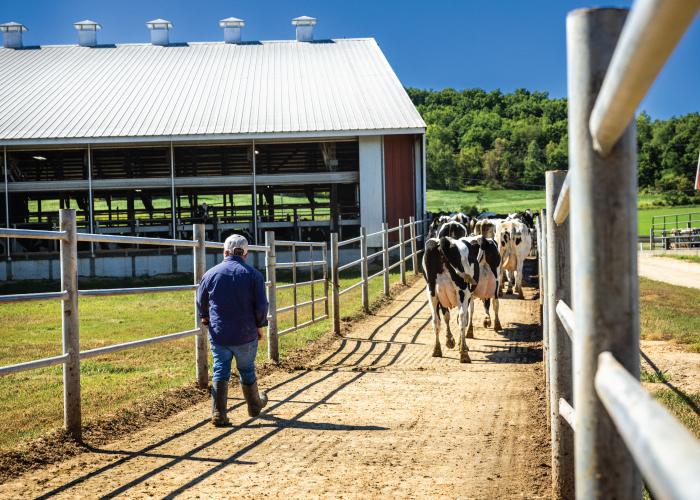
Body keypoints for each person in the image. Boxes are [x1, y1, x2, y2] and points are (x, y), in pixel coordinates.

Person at [196, 234, 269, 426]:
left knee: (220, 370)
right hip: (246, 333)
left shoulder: (211, 274)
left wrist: (204, 316)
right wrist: (260, 326)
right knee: (246, 368)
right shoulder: (254, 275)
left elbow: (201, 300)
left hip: (220, 334)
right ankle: (254, 405)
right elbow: (261, 306)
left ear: (225, 252)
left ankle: (219, 413)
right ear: (246, 254)